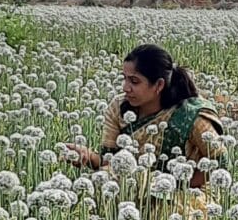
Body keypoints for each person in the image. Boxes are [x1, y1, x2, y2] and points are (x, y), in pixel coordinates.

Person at [64, 44, 226, 186]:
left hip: (183, 196)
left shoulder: (188, 115)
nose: (125, 87)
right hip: (128, 189)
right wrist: (88, 156)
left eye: (134, 81)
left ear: (159, 85)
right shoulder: (118, 107)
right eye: (125, 79)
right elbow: (109, 163)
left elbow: (221, 160)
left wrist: (179, 185)